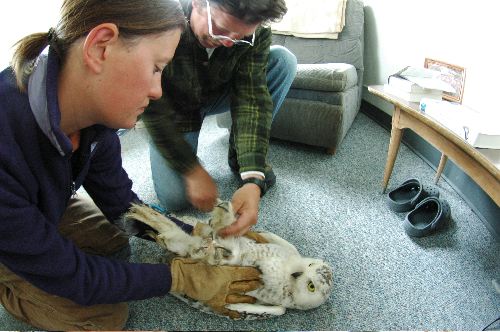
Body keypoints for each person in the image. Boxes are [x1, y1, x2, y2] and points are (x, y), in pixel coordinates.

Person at [0, 0, 261, 330]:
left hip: (32, 205)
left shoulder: (95, 117)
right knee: (106, 317)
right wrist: (180, 278)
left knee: (116, 236)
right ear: (101, 47)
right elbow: (76, 276)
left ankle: (40, 220)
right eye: (156, 68)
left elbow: (122, 204)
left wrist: (197, 237)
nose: (157, 90)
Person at [143, 0, 297, 237]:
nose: (228, 42)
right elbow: (152, 109)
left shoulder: (256, 35)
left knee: (283, 60)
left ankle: (239, 157)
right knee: (175, 198)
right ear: (197, 3)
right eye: (221, 29)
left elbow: (252, 99)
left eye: (240, 36)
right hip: (175, 109)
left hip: (218, 93)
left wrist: (253, 177)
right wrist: (191, 168)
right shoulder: (159, 18)